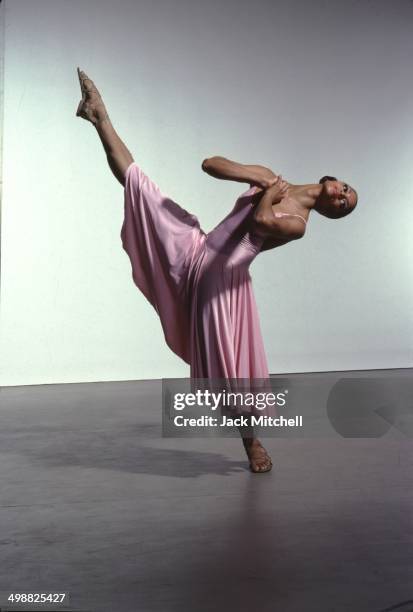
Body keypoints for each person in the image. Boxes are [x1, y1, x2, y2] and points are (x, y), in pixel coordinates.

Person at [75, 68, 358, 473]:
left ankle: (251, 444)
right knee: (140, 189)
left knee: (234, 371)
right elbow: (209, 164)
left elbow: (261, 225)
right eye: (346, 189)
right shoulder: (269, 176)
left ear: (333, 214)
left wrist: (268, 196)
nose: (343, 198)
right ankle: (98, 115)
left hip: (224, 282)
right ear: (331, 179)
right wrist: (254, 175)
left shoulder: (299, 224)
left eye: (345, 205)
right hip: (199, 248)